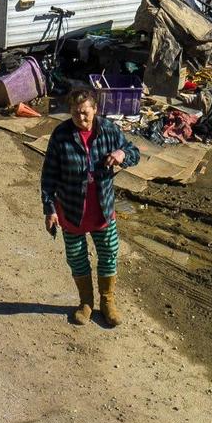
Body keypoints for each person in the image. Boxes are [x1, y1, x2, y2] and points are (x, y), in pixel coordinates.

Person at [41, 85, 139, 327]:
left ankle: (107, 302)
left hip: (102, 210)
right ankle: (85, 302)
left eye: (85, 112)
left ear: (95, 109)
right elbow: (49, 176)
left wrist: (121, 154)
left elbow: (133, 152)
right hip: (72, 211)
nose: (80, 117)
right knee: (76, 258)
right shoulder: (61, 135)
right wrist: (49, 208)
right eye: (75, 112)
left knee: (108, 255)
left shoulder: (108, 130)